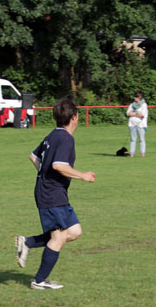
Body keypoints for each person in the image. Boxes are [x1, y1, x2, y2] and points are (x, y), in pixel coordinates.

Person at [14, 96, 96, 290]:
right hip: (51, 193)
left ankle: (27, 242)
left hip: (53, 192)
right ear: (74, 117)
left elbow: (33, 156)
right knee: (58, 237)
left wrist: (45, 175)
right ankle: (39, 281)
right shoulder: (66, 138)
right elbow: (58, 165)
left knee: (74, 232)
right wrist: (82, 175)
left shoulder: (53, 135)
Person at [126, 91, 148, 157]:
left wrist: (133, 113)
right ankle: (132, 153)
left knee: (141, 139)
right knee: (133, 139)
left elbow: (142, 115)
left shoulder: (144, 105)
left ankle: (142, 153)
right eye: (134, 96)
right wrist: (136, 113)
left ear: (140, 97)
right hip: (132, 124)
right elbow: (128, 113)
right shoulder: (132, 105)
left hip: (141, 125)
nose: (134, 98)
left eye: (136, 96)